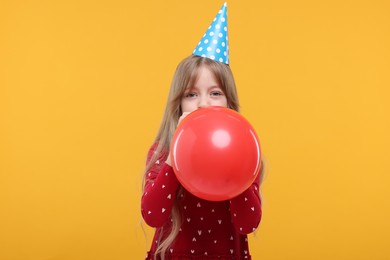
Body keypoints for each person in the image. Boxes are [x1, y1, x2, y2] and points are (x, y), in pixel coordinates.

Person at [141, 3, 264, 260]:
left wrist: (238, 166)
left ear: (229, 102)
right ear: (179, 104)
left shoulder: (245, 153)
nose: (204, 103)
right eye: (192, 94)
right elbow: (152, 216)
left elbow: (248, 223)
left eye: (215, 93)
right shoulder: (162, 151)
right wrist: (173, 161)